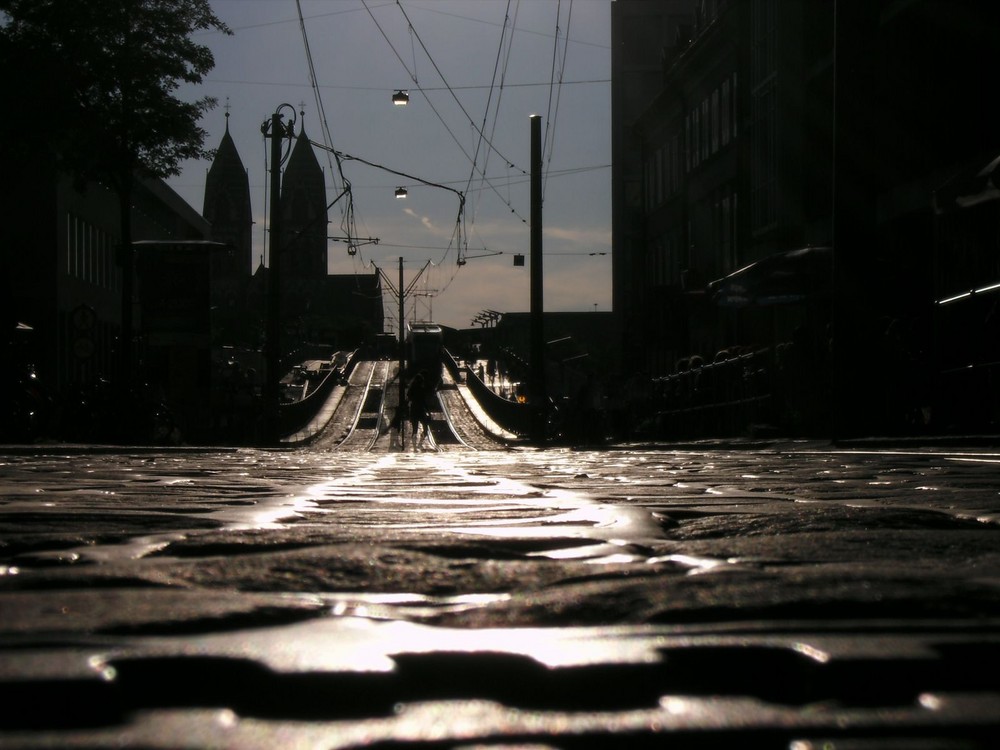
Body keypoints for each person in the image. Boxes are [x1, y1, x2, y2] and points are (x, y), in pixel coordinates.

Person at [406, 371, 432, 448]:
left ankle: (414, 439)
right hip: (420, 408)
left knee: (415, 425)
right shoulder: (421, 389)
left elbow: (409, 396)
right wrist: (428, 410)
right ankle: (423, 434)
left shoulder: (412, 388)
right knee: (424, 423)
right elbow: (424, 400)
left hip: (414, 407)